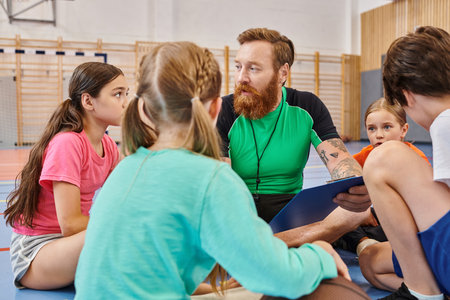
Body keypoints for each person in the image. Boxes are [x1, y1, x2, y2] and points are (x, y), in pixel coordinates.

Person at [74, 41, 351, 300]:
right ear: (215, 108)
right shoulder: (211, 178)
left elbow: (144, 271)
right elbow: (280, 277)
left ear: (143, 109)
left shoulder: (124, 169)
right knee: (321, 286)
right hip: (273, 261)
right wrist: (321, 254)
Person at [217, 27, 371, 247]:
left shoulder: (307, 106)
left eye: (253, 68)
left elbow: (340, 162)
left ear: (282, 73)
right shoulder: (223, 110)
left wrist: (358, 190)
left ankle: (259, 247)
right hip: (239, 211)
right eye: (238, 67)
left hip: (291, 216)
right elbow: (219, 183)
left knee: (353, 212)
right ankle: (278, 246)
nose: (242, 78)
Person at [3, 62, 128, 290]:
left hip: (69, 244)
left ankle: (201, 291)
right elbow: (70, 224)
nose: (125, 102)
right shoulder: (68, 143)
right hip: (37, 252)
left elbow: (123, 199)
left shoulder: (108, 146)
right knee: (119, 235)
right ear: (88, 101)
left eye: (126, 94)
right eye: (117, 94)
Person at [363, 26, 450, 299]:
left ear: (407, 96)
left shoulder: (445, 122)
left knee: (385, 158)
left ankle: (422, 293)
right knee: (372, 265)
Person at [337, 97, 430, 256]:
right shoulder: (366, 155)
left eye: (387, 127)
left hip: (410, 221)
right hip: (379, 216)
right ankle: (363, 242)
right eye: (372, 129)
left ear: (403, 130)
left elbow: (425, 207)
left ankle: (358, 241)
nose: (378, 135)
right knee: (339, 217)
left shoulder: (416, 159)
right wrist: (362, 211)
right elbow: (342, 175)